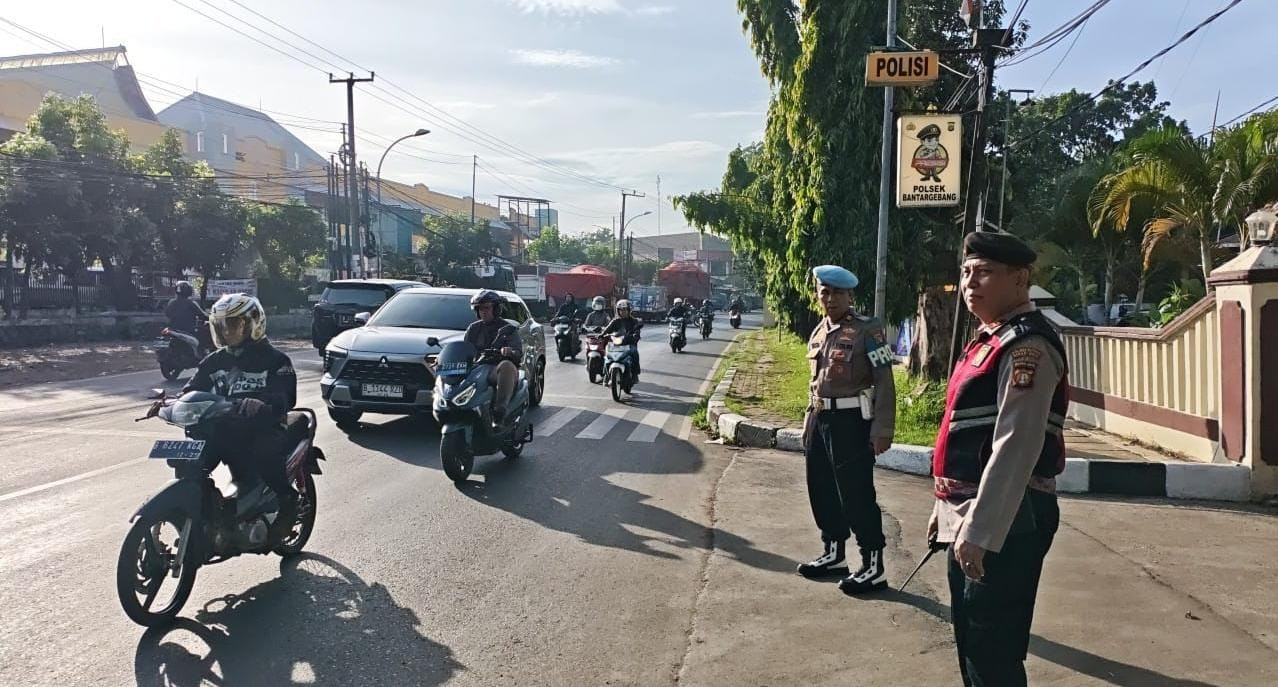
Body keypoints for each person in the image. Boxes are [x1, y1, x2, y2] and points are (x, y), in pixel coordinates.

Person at [929, 232, 1068, 687]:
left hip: (1009, 518)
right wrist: (943, 510)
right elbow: (964, 432)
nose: (971, 283)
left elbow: (1015, 446)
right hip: (973, 512)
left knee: (993, 652)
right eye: (967, 272)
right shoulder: (989, 340)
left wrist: (981, 531)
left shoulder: (1027, 346)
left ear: (1020, 278)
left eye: (984, 272)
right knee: (971, 639)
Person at [797, 265, 896, 596]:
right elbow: (815, 384)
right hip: (820, 420)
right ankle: (833, 552)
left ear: (850, 295)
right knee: (821, 489)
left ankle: (872, 565)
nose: (830, 298)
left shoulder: (869, 330)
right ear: (818, 295)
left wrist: (882, 428)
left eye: (838, 293)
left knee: (856, 494)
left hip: (852, 423)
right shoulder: (819, 332)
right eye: (825, 292)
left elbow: (884, 379)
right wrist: (808, 422)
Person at [184, 293, 298, 534]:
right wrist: (173, 403)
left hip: (262, 428)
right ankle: (214, 511)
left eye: (233, 324)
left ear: (253, 323)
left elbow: (285, 397)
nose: (226, 332)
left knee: (265, 454)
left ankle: (288, 502)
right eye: (221, 326)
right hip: (223, 428)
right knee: (191, 462)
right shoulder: (214, 361)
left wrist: (260, 404)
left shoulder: (276, 360)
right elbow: (193, 388)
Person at [463, 290, 522, 420]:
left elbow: (518, 352)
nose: (483, 311)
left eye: (487, 308)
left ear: (496, 309)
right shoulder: (473, 329)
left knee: (506, 365)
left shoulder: (508, 329)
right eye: (480, 308)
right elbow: (464, 349)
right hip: (477, 368)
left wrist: (509, 351)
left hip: (496, 369)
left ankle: (500, 410)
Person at [601, 299, 642, 377]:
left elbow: (638, 328)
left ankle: (635, 373)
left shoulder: (634, 321)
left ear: (629, 311)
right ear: (618, 311)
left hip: (629, 343)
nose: (623, 312)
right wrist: (602, 335)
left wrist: (635, 336)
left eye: (625, 310)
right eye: (621, 310)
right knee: (606, 355)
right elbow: (607, 329)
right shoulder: (615, 321)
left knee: (634, 352)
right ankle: (606, 375)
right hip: (617, 343)